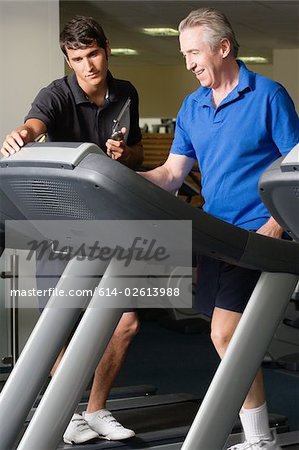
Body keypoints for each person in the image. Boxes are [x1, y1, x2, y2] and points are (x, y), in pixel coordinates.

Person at [140, 8, 299, 450]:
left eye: (193, 52)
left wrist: (275, 225)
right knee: (231, 337)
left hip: (255, 236)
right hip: (214, 237)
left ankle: (260, 438)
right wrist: (122, 178)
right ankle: (258, 434)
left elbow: (297, 170)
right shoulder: (191, 106)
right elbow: (173, 175)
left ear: (223, 48)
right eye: (183, 54)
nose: (188, 63)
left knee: (225, 334)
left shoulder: (268, 95)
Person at [1, 15, 143, 445]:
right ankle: (67, 411)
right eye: (77, 58)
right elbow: (35, 125)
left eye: (93, 54)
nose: (88, 66)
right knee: (60, 325)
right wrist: (21, 134)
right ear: (69, 58)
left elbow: (135, 153)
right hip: (55, 224)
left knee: (126, 323)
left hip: (108, 219)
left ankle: (95, 410)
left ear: (107, 49)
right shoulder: (57, 94)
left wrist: (126, 153)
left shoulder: (126, 92)